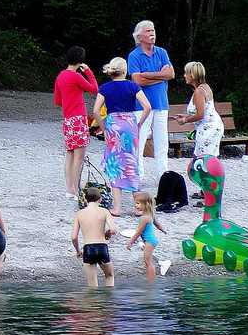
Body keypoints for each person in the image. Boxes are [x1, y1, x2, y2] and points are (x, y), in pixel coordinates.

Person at [91, 57, 152, 216]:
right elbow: (147, 106)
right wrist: (139, 124)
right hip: (129, 125)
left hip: (113, 127)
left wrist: (103, 128)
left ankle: (117, 208)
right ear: (125, 71)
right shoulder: (133, 86)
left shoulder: (105, 88)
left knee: (115, 164)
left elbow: (96, 111)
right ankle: (138, 208)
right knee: (132, 163)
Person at [127, 20, 175, 186]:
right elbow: (136, 80)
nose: (152, 33)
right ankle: (137, 176)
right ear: (140, 37)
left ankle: (163, 176)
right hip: (142, 106)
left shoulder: (161, 52)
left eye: (153, 30)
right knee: (139, 142)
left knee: (162, 142)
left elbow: (171, 74)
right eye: (148, 31)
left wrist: (148, 75)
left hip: (161, 104)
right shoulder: (134, 55)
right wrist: (160, 75)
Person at [53, 46, 99, 199]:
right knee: (79, 157)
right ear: (80, 61)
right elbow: (94, 89)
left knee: (70, 155)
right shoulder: (75, 76)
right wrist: (88, 72)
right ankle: (75, 190)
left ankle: (69, 189)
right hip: (79, 118)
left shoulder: (60, 76)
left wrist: (68, 104)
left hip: (67, 119)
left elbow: (57, 100)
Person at [71, 187, 120, 287]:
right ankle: (108, 301)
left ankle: (93, 302)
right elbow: (114, 230)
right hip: (101, 247)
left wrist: (78, 251)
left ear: (85, 200)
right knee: (109, 276)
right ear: (100, 199)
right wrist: (107, 233)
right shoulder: (104, 211)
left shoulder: (79, 214)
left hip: (88, 248)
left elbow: (74, 238)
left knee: (92, 286)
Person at [174, 62, 224, 158]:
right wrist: (186, 116)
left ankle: (207, 173)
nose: (184, 76)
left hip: (208, 128)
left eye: (186, 73)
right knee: (202, 158)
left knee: (202, 159)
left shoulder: (199, 91)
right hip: (211, 126)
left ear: (192, 75)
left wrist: (185, 120)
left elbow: (201, 115)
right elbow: (203, 110)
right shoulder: (204, 87)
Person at [126, 192, 167, 282]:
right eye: (135, 203)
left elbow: (138, 232)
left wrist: (130, 242)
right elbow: (157, 224)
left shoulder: (145, 218)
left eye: (138, 203)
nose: (135, 205)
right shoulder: (150, 215)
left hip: (149, 241)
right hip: (150, 240)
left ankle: (150, 282)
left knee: (148, 261)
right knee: (148, 261)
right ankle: (151, 280)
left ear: (145, 204)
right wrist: (163, 230)